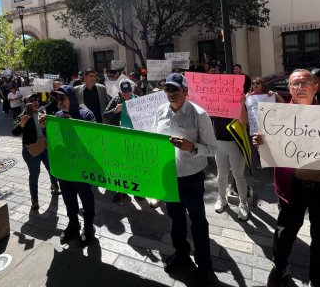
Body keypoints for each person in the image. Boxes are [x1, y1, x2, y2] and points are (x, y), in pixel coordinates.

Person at [253, 69, 320, 287]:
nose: (300, 87)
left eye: (305, 83)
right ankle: (280, 267)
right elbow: (271, 154)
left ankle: (318, 279)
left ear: (315, 86)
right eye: (295, 84)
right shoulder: (277, 117)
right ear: (290, 89)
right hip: (292, 188)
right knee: (284, 234)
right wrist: (261, 144)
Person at [152, 73, 218, 286]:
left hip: (192, 179)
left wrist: (193, 147)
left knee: (198, 222)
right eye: (167, 89)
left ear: (185, 91)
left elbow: (213, 149)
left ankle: (204, 264)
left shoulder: (199, 115)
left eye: (175, 89)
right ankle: (181, 254)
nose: (170, 93)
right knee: (176, 219)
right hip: (169, 177)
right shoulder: (161, 111)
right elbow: (155, 140)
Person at [54, 85, 97, 246]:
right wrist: (45, 127)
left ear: (71, 98)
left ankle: (88, 226)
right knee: (68, 198)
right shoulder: (57, 115)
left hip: (82, 167)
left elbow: (93, 141)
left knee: (86, 197)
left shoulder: (86, 115)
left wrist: (73, 125)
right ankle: (73, 224)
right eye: (58, 99)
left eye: (63, 98)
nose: (60, 102)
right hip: (64, 167)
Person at [12, 93, 61, 210]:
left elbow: (54, 104)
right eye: (31, 100)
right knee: (35, 173)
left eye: (36, 100)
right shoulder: (22, 117)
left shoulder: (42, 111)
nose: (35, 102)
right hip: (31, 150)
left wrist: (55, 91)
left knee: (51, 167)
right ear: (26, 104)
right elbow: (14, 132)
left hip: (44, 146)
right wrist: (22, 123)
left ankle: (54, 186)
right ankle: (34, 198)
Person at [213, 99, 250, 220]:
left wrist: (241, 104)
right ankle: (222, 198)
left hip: (236, 143)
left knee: (238, 175)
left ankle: (243, 203)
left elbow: (243, 121)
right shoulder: (212, 100)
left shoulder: (238, 102)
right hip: (218, 143)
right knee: (222, 173)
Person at [104, 79, 139, 202]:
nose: (126, 94)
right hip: (120, 139)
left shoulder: (138, 100)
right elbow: (105, 115)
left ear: (132, 90)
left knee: (135, 165)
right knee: (122, 166)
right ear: (120, 91)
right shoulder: (116, 100)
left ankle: (137, 189)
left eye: (128, 91)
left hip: (135, 139)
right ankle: (123, 191)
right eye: (124, 92)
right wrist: (115, 110)